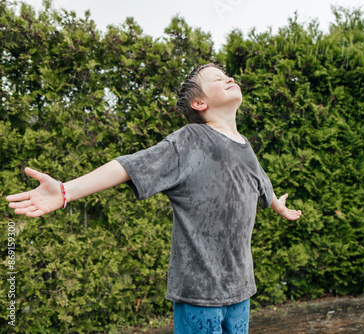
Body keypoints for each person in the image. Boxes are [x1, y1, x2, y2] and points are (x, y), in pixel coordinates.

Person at [6, 63, 302, 333]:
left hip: (240, 288)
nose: (230, 78)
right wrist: (65, 190)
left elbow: (260, 183)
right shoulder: (190, 141)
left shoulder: (244, 146)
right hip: (199, 293)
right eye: (218, 79)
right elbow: (129, 166)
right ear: (200, 103)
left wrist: (278, 205)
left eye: (228, 75)